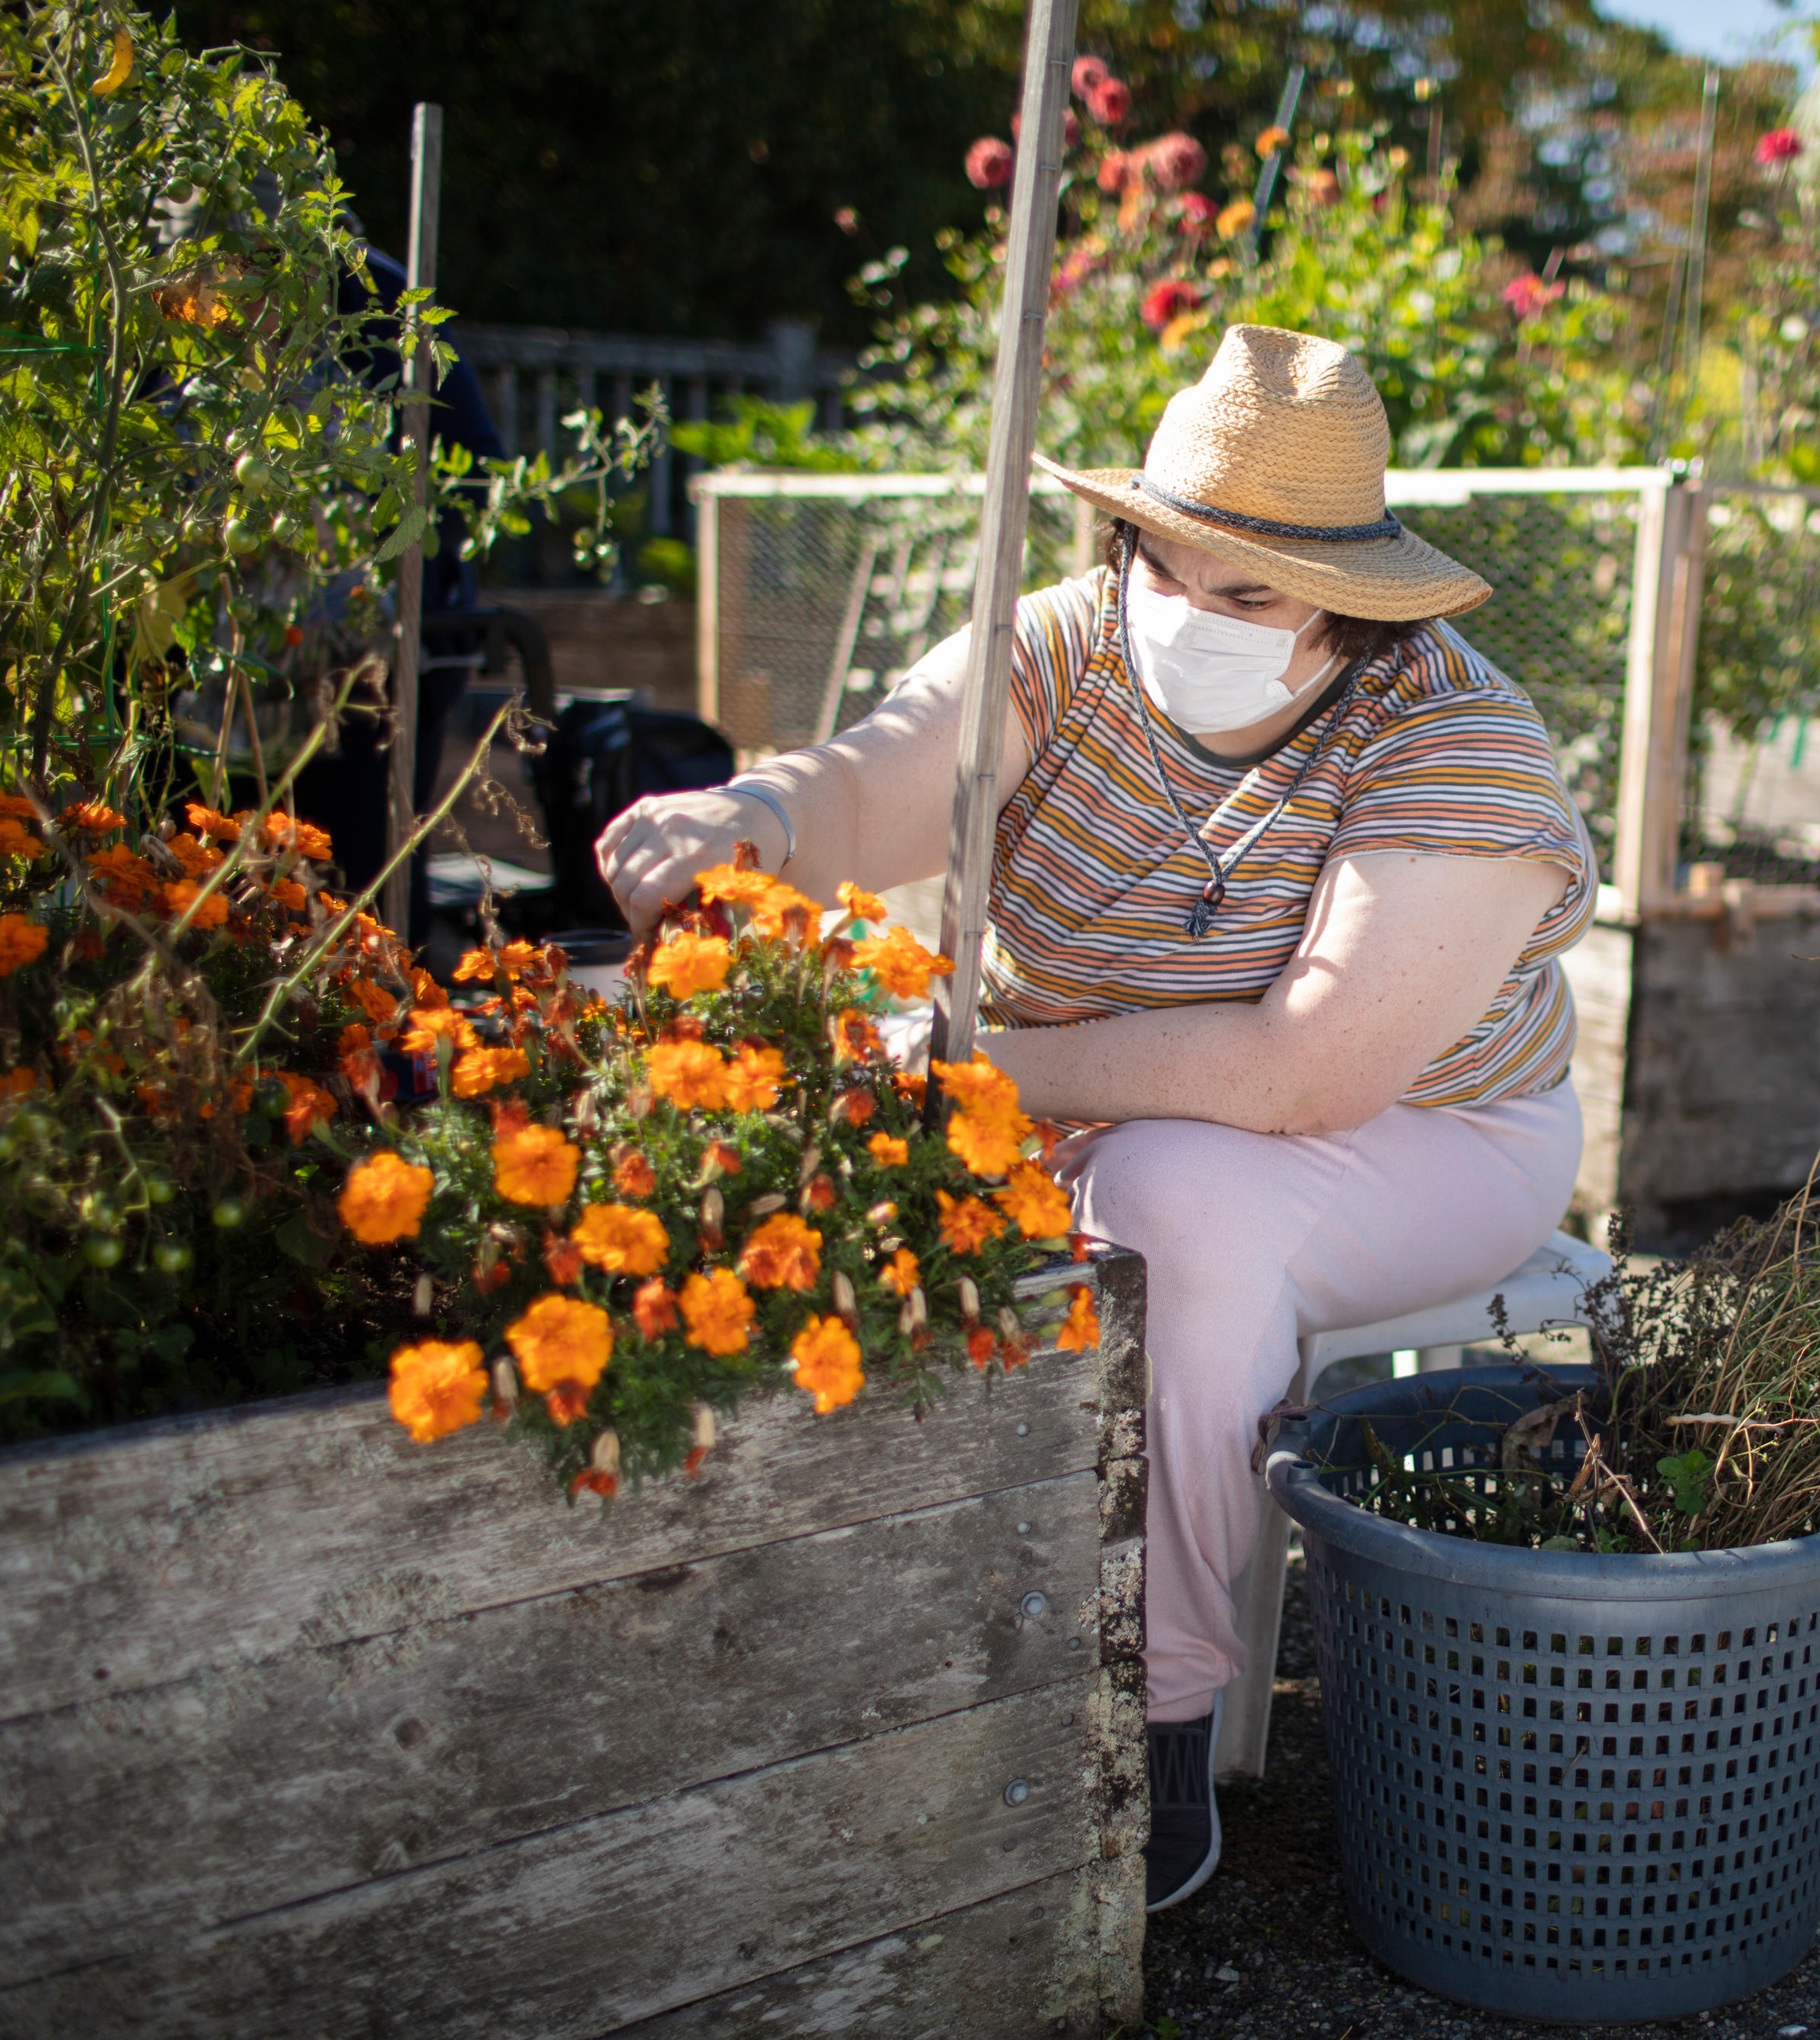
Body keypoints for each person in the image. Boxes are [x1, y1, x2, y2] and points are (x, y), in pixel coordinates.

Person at [595, 326, 1593, 1911]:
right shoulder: (1061, 647)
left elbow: (1305, 1074)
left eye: (1245, 590)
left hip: (1431, 1135)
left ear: (1346, 601)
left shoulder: (1451, 739)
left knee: (1174, 1207)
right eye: (1158, 560)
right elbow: (886, 779)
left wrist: (958, 1062)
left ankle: (1160, 1711)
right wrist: (758, 815)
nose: (1182, 612)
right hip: (1075, 1098)